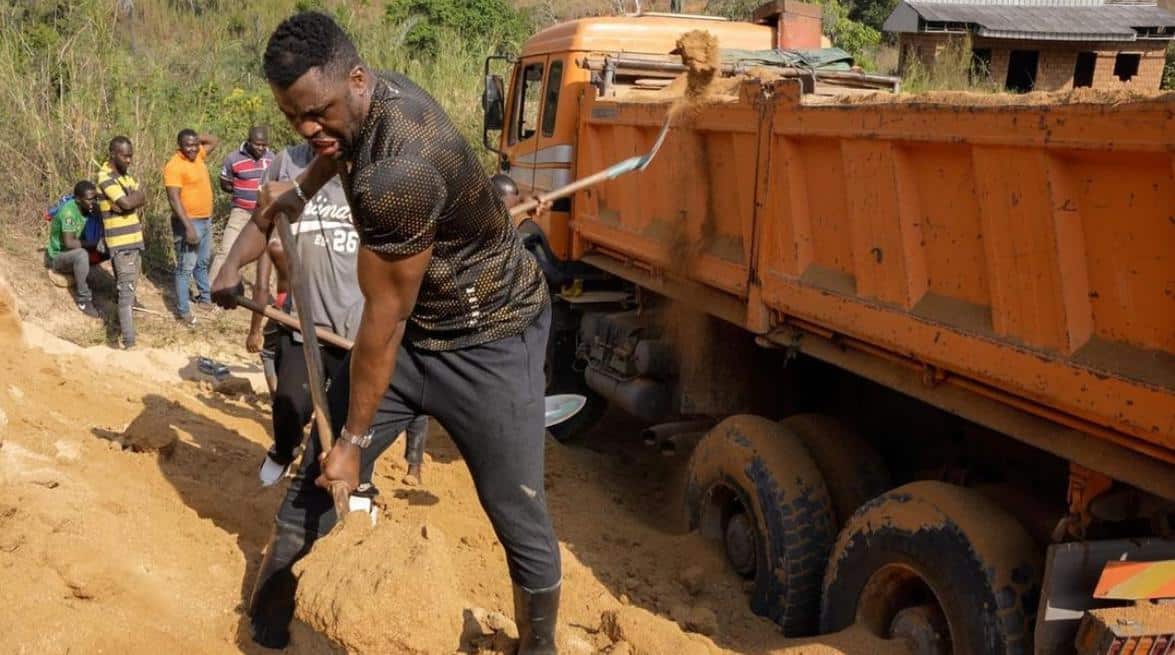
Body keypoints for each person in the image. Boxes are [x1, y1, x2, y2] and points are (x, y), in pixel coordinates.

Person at [212, 13, 560, 652]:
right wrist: (297, 193)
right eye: (294, 119)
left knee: (517, 510)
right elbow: (336, 147)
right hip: (415, 328)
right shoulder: (358, 104)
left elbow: (382, 322)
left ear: (358, 79)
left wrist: (352, 439)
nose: (308, 129)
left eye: (317, 112)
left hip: (490, 337)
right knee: (315, 479)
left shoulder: (399, 171)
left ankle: (540, 646)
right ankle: (268, 624)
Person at [238, 141, 365, 489]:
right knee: (289, 405)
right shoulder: (289, 165)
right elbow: (264, 223)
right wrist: (235, 268)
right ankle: (283, 449)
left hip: (357, 329)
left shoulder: (373, 182)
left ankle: (339, 481)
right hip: (303, 321)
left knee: (349, 422)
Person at [164, 129, 220, 325]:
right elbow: (173, 198)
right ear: (179, 146)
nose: (193, 148)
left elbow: (213, 139)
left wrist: (196, 138)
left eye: (196, 144)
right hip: (189, 223)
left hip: (205, 219)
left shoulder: (197, 156)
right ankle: (183, 311)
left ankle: (205, 299)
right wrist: (188, 227)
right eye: (188, 145)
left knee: (202, 263)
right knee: (185, 268)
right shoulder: (174, 165)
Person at [97, 136, 148, 350]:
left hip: (133, 242)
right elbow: (128, 201)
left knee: (127, 291)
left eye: (130, 156)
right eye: (125, 156)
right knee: (126, 294)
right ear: (112, 154)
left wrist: (130, 203)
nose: (129, 160)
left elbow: (142, 195)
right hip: (122, 244)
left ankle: (121, 334)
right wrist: (129, 201)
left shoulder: (124, 176)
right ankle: (128, 342)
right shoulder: (105, 177)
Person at [213, 126, 274, 282]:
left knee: (267, 253)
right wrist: (241, 191)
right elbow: (224, 183)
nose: (261, 148)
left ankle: (262, 292)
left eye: (264, 144)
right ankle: (210, 290)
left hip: (264, 214)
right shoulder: (233, 158)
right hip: (241, 212)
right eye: (257, 144)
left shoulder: (272, 158)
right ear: (248, 142)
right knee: (226, 250)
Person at [46, 181, 103, 319]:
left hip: (72, 253)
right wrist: (96, 243)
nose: (93, 202)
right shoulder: (69, 213)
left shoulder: (88, 208)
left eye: (95, 198)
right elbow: (70, 243)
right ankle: (83, 299)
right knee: (82, 254)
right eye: (90, 199)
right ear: (78, 199)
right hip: (58, 256)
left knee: (107, 248)